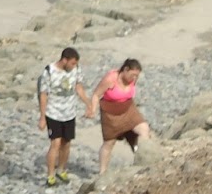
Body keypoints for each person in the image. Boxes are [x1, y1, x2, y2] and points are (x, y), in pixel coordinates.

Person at [37, 47, 89, 186]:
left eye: (75, 64)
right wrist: (42, 117)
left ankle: (61, 169)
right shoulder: (49, 71)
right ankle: (50, 175)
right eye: (72, 63)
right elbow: (43, 94)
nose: (73, 67)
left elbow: (78, 87)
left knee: (66, 143)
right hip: (53, 112)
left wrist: (88, 103)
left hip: (69, 112)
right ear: (64, 60)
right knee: (56, 143)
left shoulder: (75, 70)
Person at [92, 58, 151, 173]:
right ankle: (102, 172)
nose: (134, 78)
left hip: (128, 109)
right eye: (132, 75)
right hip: (110, 113)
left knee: (144, 129)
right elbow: (96, 94)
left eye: (137, 76)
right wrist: (92, 110)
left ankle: (142, 159)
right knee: (109, 143)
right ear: (125, 69)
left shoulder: (133, 80)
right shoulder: (110, 79)